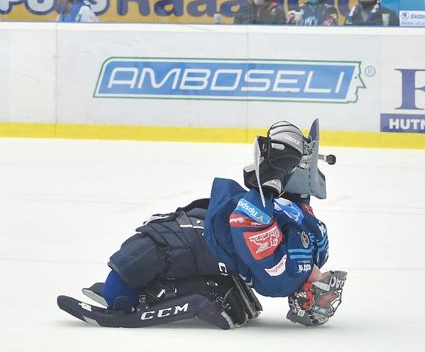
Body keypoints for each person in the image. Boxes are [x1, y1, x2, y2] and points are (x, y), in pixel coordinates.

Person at [59, 121, 343, 330]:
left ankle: (120, 296)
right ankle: (133, 287)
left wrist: (270, 180)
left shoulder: (286, 277)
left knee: (148, 250)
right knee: (157, 241)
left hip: (210, 237)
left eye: (327, 291)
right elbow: (299, 212)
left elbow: (248, 224)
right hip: (214, 218)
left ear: (308, 296)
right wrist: (295, 160)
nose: (331, 282)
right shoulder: (314, 252)